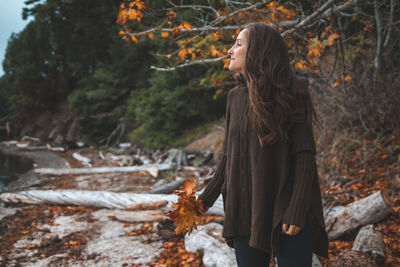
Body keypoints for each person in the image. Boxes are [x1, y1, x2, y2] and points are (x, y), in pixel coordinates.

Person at [197, 22, 329, 267]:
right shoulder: (234, 98)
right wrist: (204, 200)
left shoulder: (291, 94)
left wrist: (298, 207)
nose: (230, 50)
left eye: (238, 44)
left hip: (285, 205)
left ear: (258, 51)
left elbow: (304, 154)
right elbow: (229, 154)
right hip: (245, 206)